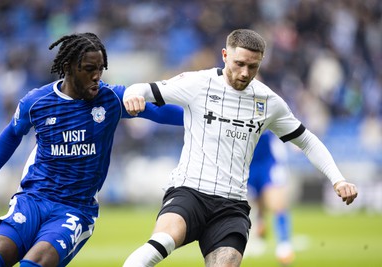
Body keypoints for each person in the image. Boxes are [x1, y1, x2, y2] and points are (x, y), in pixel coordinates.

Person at [122, 29, 358, 267]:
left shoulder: (268, 102)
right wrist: (132, 95)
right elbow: (144, 89)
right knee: (161, 243)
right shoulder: (197, 83)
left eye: (253, 67)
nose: (245, 73)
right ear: (225, 55)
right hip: (190, 191)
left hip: (231, 204)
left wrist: (338, 180)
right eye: (239, 63)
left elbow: (306, 140)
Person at [0, 32, 183, 267]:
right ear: (68, 67)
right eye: (89, 69)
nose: (97, 76)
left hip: (74, 209)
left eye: (100, 68)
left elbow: (160, 112)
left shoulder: (111, 99)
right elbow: (11, 134)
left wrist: (202, 118)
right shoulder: (37, 102)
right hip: (33, 198)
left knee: (34, 262)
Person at [246, 130, 294, 265]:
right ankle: (259, 231)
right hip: (247, 162)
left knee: (277, 202)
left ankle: (284, 245)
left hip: (268, 162)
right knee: (255, 203)